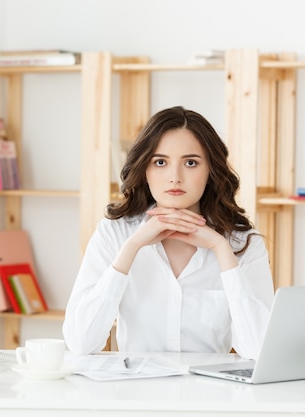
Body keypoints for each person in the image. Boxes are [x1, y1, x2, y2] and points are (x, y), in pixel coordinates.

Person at [62, 106, 274, 359]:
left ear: (210, 172)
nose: (175, 177)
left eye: (191, 163)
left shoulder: (243, 243)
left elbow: (259, 349)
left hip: (211, 394)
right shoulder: (114, 233)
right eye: (160, 162)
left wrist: (221, 250)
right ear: (145, 170)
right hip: (135, 391)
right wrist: (131, 248)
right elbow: (80, 342)